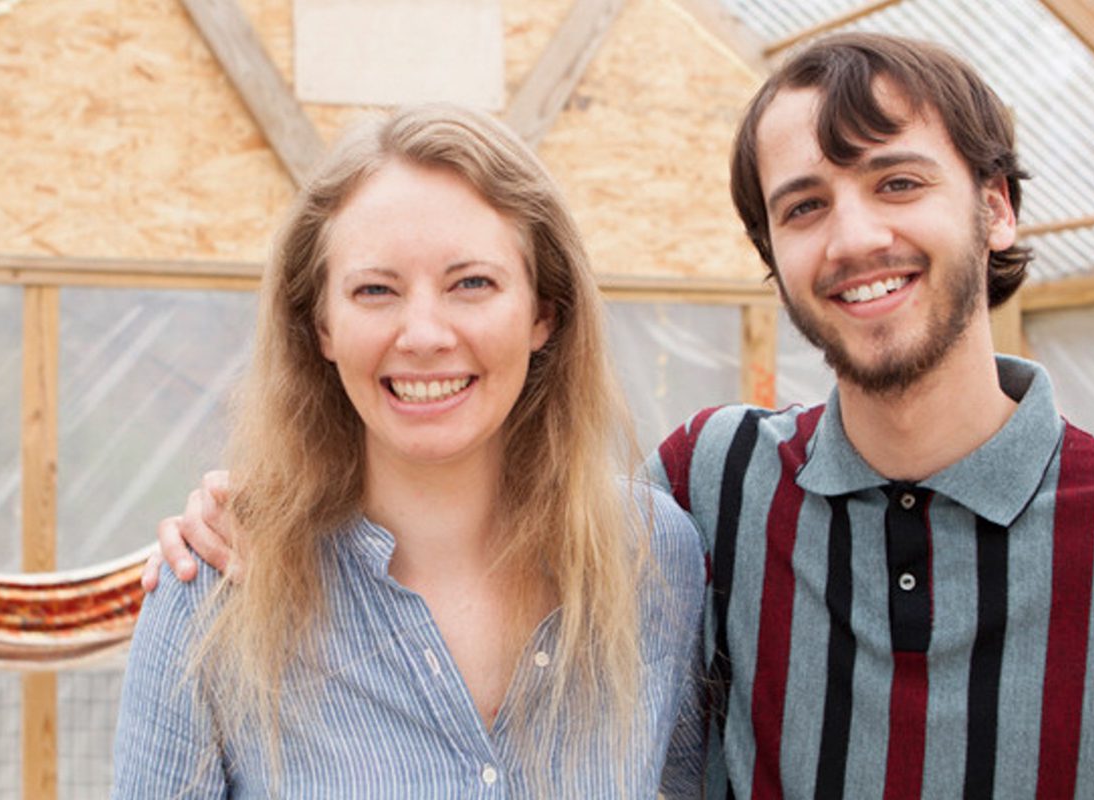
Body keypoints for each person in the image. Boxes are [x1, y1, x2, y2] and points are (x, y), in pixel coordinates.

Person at [148, 33, 1094, 798]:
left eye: (895, 182)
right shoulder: (712, 488)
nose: (855, 236)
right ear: (771, 255)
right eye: (802, 204)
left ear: (993, 210)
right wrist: (250, 507)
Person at [111, 104, 705, 798]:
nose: (423, 334)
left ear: (545, 311)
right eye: (375, 290)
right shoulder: (215, 593)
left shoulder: (652, 561)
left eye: (472, 283)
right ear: (321, 325)